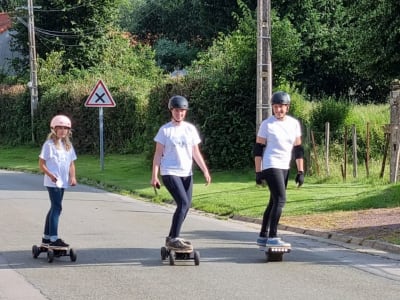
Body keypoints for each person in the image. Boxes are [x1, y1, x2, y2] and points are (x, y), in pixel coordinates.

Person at [151, 95, 211, 250]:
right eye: (177, 111)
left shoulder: (190, 129)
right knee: (183, 203)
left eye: (183, 111)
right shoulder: (165, 131)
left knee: (186, 205)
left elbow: (196, 152)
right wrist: (154, 175)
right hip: (170, 172)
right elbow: (158, 154)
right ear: (171, 111)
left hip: (187, 173)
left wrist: (205, 171)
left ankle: (171, 237)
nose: (180, 114)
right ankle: (175, 237)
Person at [253, 91, 304, 247]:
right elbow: (258, 149)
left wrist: (301, 171)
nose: (278, 110)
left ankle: (263, 235)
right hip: (271, 164)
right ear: (272, 108)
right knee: (281, 200)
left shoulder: (293, 124)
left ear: (287, 107)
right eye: (275, 107)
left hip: (284, 166)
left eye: (281, 107)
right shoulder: (267, 124)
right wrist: (258, 171)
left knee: (273, 201)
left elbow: (298, 149)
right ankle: (273, 236)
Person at [39, 114, 77, 247]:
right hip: (53, 182)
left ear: (68, 131)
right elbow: (41, 164)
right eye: (59, 128)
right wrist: (50, 175)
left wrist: (72, 177)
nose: (62, 130)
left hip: (63, 181)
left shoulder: (68, 146)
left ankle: (46, 237)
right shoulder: (49, 145)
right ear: (54, 129)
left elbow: (71, 164)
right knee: (57, 207)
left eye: (65, 128)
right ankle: (54, 239)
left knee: (54, 208)